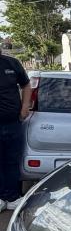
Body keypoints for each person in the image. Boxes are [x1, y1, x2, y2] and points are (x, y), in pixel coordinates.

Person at [0, 53, 31, 211]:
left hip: (13, 123)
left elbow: (26, 85)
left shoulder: (12, 63)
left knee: (12, 161)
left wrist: (25, 107)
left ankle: (12, 197)